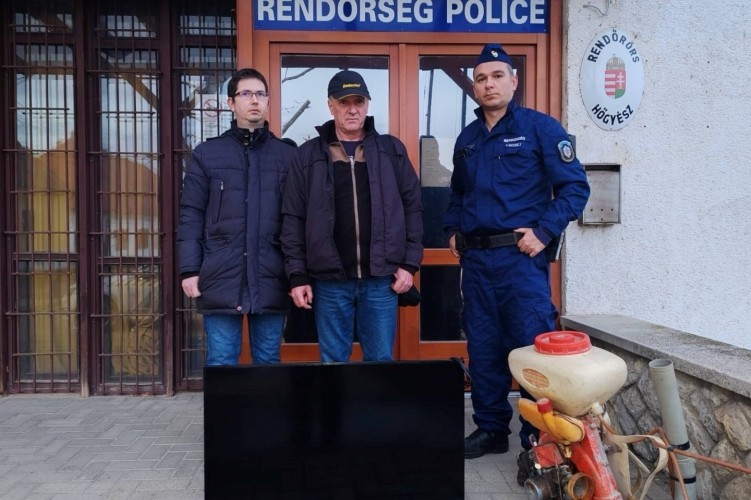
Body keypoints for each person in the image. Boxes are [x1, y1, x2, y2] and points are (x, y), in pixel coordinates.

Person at [443, 44, 590, 460]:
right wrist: (452, 229)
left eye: (496, 76)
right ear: (475, 87)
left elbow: (575, 187)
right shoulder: (468, 138)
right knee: (484, 347)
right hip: (477, 263)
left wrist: (544, 231)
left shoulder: (540, 128)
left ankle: (535, 437)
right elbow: (458, 193)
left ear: (513, 81)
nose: (488, 84)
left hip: (520, 261)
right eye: (481, 78)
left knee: (529, 350)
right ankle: (491, 429)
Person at [281, 69, 423, 363]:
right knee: (333, 362)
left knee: (380, 361)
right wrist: (297, 275)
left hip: (381, 280)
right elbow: (293, 219)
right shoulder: (307, 156)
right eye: (344, 102)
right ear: (330, 105)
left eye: (359, 101)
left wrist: (409, 264)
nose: (352, 109)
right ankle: (336, 399)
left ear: (367, 105)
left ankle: (374, 399)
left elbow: (412, 209)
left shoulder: (390, 150)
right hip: (329, 281)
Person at [177, 68, 297, 366]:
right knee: (221, 362)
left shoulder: (286, 156)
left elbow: (297, 220)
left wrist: (298, 273)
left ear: (268, 101)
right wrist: (189, 269)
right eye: (246, 94)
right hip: (220, 274)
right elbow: (192, 214)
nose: (254, 100)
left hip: (272, 274)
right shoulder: (207, 154)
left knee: (268, 362)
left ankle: (265, 403)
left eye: (260, 94)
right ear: (231, 102)